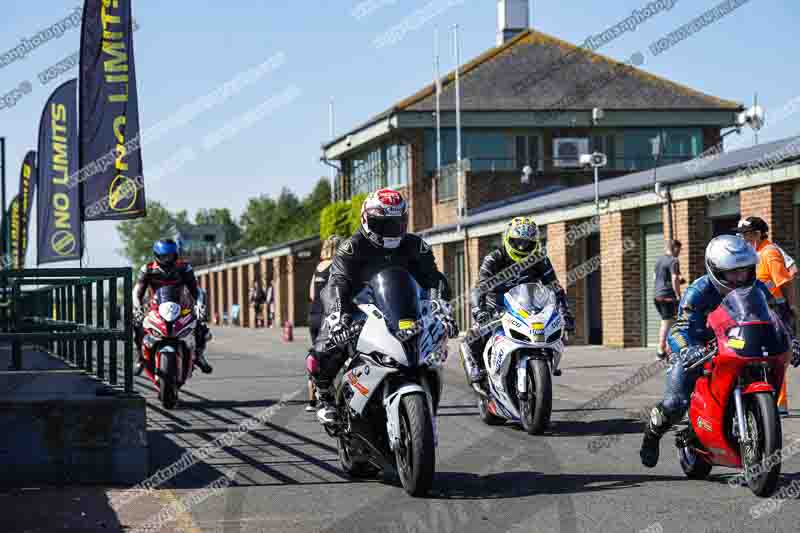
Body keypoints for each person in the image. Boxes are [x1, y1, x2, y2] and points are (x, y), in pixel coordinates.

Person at [639, 234, 800, 468]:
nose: (740, 277)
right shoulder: (698, 291)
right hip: (700, 350)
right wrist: (686, 350)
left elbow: (778, 317)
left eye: (745, 270)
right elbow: (679, 328)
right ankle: (652, 435)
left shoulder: (759, 288)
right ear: (715, 270)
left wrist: (791, 340)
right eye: (733, 272)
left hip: (741, 345)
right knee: (676, 402)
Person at [306, 188, 458, 425]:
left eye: (396, 223)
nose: (390, 230)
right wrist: (338, 313)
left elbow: (433, 278)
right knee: (331, 341)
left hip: (404, 310)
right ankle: (325, 394)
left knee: (433, 344)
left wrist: (443, 306)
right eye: (383, 224)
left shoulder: (416, 246)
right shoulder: (352, 246)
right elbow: (338, 281)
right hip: (360, 309)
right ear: (366, 219)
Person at [461, 216, 576, 395]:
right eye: (517, 242)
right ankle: (478, 371)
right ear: (507, 239)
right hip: (496, 309)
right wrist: (479, 309)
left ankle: (547, 362)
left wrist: (565, 312)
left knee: (557, 329)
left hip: (528, 308)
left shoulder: (539, 259)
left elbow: (555, 287)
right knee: (472, 338)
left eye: (527, 243)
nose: (522, 247)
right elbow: (479, 287)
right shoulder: (494, 258)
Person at [737, 216, 797, 415]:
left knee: (775, 357)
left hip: (774, 310)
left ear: (758, 233)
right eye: (741, 234)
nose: (742, 237)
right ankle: (768, 400)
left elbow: (785, 282)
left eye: (746, 234)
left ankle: (778, 403)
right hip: (758, 309)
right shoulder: (755, 252)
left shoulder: (769, 252)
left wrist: (792, 307)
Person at [133, 239, 213, 375]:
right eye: (163, 256)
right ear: (156, 255)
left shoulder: (184, 267)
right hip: (155, 307)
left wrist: (200, 306)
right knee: (137, 325)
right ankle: (141, 357)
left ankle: (198, 354)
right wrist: (137, 308)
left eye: (170, 256)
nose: (167, 259)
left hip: (182, 306)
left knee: (200, 326)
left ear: (175, 255)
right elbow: (137, 292)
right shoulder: (147, 269)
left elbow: (196, 290)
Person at [305, 235, 342, 412]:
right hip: (328, 317)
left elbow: (312, 294)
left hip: (313, 315)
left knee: (316, 355)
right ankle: (329, 396)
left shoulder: (318, 268)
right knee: (335, 355)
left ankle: (312, 400)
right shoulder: (337, 266)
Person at [653, 240, 683, 361]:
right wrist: (678, 295)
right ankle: (661, 350)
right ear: (674, 248)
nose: (680, 252)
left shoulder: (659, 260)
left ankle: (670, 349)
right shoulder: (673, 261)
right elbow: (674, 277)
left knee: (671, 322)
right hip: (668, 296)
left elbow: (655, 277)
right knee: (667, 322)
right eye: (679, 249)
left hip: (657, 295)